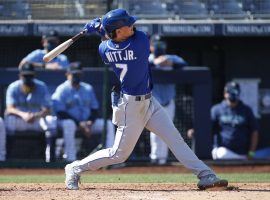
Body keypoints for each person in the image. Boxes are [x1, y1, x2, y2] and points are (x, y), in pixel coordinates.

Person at [64, 8, 228, 190]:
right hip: (130, 107)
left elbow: (108, 40)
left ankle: (205, 175)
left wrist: (98, 29)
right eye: (128, 24)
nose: (132, 25)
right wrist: (101, 27)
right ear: (118, 31)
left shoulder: (104, 49)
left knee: (175, 139)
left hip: (149, 102)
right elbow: (114, 36)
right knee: (118, 154)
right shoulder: (140, 42)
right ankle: (74, 168)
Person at [51, 64, 115, 162]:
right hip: (68, 123)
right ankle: (70, 159)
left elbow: (94, 109)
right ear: (67, 74)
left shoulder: (87, 88)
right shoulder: (62, 89)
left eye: (78, 74)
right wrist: (80, 124)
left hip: (87, 123)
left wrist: (90, 122)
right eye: (74, 74)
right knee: (69, 124)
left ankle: (110, 159)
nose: (76, 76)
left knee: (108, 124)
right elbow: (60, 112)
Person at [4, 62, 57, 162]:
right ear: (20, 75)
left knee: (51, 120)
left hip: (37, 119)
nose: (27, 78)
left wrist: (36, 115)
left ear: (34, 75)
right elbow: (9, 108)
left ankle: (50, 159)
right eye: (25, 75)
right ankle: (7, 157)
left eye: (30, 75)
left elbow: (48, 109)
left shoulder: (41, 86)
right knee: (9, 120)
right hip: (20, 120)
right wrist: (23, 115)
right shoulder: (13, 87)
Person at [149, 35, 188, 165]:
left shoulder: (172, 58)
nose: (159, 47)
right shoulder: (147, 58)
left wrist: (170, 63)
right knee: (155, 131)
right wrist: (154, 63)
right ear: (151, 46)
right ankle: (155, 158)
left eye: (161, 44)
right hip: (154, 100)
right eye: (156, 44)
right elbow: (141, 66)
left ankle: (163, 160)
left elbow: (184, 64)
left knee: (167, 130)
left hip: (169, 100)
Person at [211, 81, 270, 160]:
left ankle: (242, 160)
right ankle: (241, 160)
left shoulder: (246, 110)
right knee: (221, 153)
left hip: (243, 152)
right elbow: (207, 128)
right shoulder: (217, 109)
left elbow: (254, 131)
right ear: (225, 93)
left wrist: (251, 152)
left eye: (235, 92)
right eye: (230, 92)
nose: (233, 94)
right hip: (223, 152)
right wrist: (196, 131)